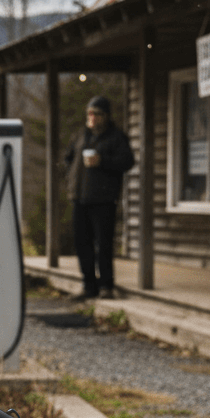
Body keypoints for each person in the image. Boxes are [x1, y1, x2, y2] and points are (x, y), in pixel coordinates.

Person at [64, 95, 134, 300]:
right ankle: (88, 285)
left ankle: (106, 286)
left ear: (105, 116)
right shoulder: (80, 135)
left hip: (103, 199)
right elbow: (68, 158)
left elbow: (127, 161)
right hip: (79, 197)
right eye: (90, 113)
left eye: (97, 113)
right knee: (82, 243)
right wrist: (70, 179)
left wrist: (102, 161)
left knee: (103, 244)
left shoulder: (116, 137)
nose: (92, 117)